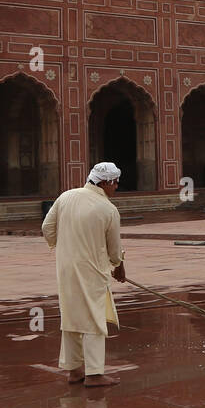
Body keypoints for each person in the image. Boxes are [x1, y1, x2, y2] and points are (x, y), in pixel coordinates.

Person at [41, 161, 126, 387]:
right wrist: (118, 265)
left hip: (66, 268)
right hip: (92, 271)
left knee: (71, 317)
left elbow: (47, 229)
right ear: (106, 182)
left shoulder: (66, 196)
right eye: (115, 182)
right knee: (94, 320)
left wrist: (65, 247)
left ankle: (74, 371)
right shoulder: (108, 209)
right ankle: (95, 374)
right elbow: (115, 250)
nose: (117, 187)